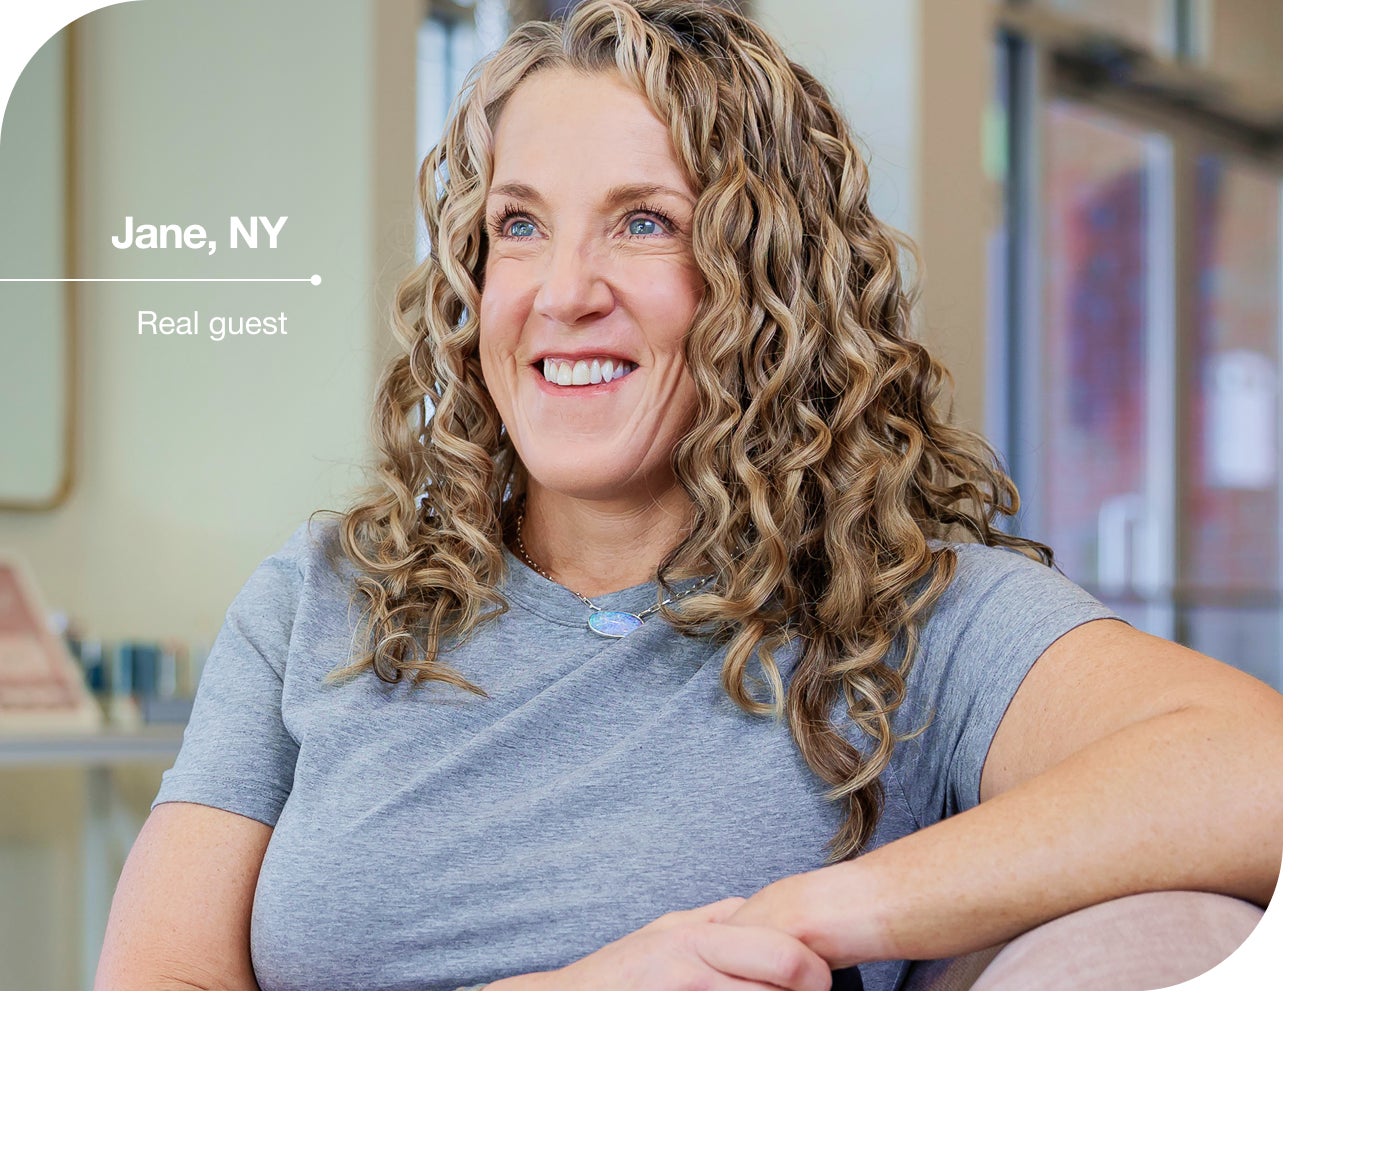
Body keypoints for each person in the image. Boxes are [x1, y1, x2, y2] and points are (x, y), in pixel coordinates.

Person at [95, 0, 1280, 992]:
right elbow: (151, 1024)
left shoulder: (914, 620)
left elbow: (1269, 767)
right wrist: (559, 1016)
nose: (563, 293)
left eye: (644, 223)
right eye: (519, 227)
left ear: (774, 290)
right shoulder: (323, 598)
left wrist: (819, 915)